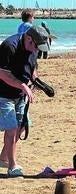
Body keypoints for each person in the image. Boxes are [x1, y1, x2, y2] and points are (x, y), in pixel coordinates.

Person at [0, 26, 50, 177]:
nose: (36, 50)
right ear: (29, 39)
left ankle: (3, 158)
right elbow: (2, 73)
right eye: (35, 46)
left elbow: (32, 66)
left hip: (20, 95)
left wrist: (36, 81)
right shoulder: (9, 46)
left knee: (23, 125)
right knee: (12, 129)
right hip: (4, 95)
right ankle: (12, 166)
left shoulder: (33, 48)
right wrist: (22, 85)